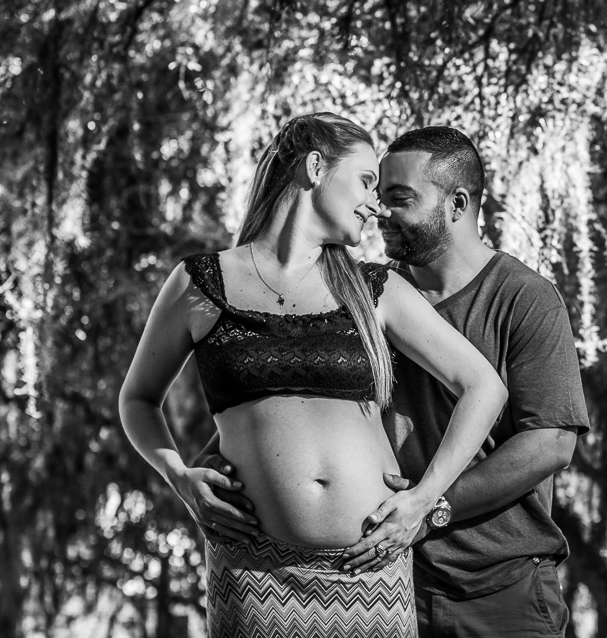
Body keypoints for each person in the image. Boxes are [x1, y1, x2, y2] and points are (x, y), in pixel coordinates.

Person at [118, 113, 507, 638]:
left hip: (370, 575)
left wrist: (423, 500)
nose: (375, 205)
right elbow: (138, 399)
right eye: (366, 181)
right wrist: (179, 476)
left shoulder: (374, 289)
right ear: (316, 167)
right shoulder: (199, 283)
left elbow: (484, 387)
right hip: (254, 577)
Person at [198, 125, 591, 637]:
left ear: (457, 204)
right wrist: (217, 461)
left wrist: (431, 507)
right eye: (377, 194)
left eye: (400, 198)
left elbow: (551, 444)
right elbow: (296, 398)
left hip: (499, 588)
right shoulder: (363, 293)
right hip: (380, 582)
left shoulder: (524, 298)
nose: (379, 210)